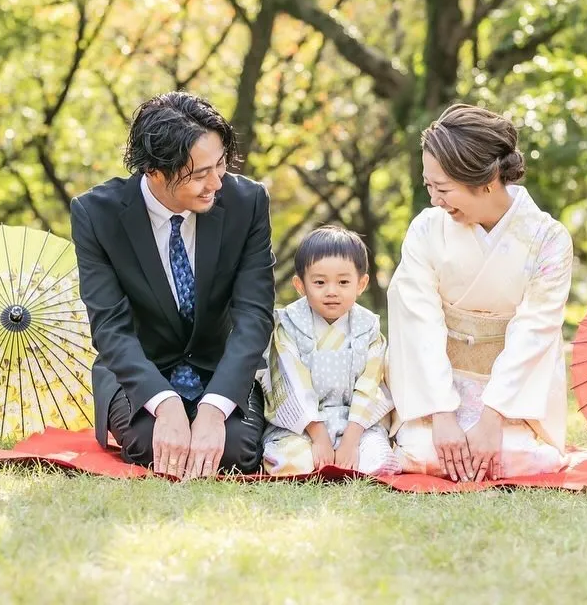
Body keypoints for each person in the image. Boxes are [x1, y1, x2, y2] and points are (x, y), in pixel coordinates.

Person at [70, 91, 275, 479]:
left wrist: (215, 409)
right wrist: (164, 404)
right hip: (142, 371)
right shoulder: (95, 215)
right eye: (199, 174)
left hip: (220, 367)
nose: (215, 183)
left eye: (220, 165)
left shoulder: (248, 202)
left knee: (235, 452)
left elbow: (254, 316)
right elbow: (111, 329)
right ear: (155, 171)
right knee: (152, 446)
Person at [386, 103, 573, 482]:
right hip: (441, 382)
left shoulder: (548, 239)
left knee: (528, 456)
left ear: (487, 182)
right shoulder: (426, 230)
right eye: (428, 186)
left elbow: (536, 330)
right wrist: (440, 413)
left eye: (443, 188)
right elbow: (418, 323)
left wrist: (493, 418)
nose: (434, 200)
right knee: (422, 448)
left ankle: (496, 434)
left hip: (510, 396)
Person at [260, 226, 399, 476]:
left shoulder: (367, 328)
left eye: (344, 282)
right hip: (302, 427)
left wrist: (351, 440)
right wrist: (319, 436)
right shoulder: (290, 324)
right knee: (293, 462)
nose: (332, 291)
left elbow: (371, 385)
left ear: (362, 283)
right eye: (320, 282)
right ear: (300, 285)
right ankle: (314, 453)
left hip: (356, 425)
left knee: (378, 463)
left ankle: (350, 452)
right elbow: (292, 383)